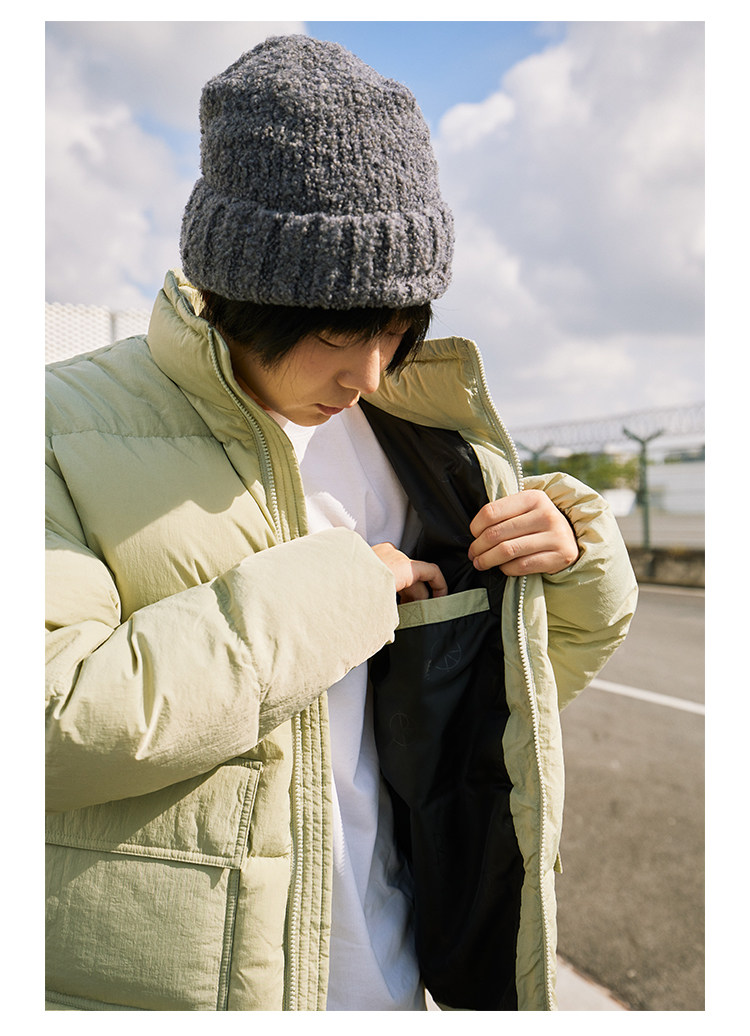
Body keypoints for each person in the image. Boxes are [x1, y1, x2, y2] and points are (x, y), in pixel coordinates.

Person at [45, 34, 637, 1012]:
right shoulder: (55, 425)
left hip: (392, 982)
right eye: (338, 330)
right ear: (243, 286)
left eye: (397, 328)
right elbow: (47, 728)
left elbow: (496, 717)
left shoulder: (426, 444)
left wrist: (573, 569)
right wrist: (340, 589)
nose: (369, 371)